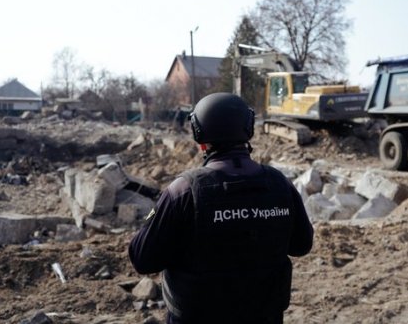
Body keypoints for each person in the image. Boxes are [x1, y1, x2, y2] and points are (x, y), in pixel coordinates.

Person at [129, 92, 313, 324]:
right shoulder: (280, 183)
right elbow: (302, 245)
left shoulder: (183, 190)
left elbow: (142, 259)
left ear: (199, 135)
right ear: (248, 128)